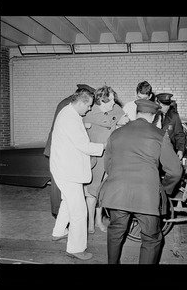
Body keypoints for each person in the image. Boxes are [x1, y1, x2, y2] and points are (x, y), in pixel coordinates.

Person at [98, 99, 183, 264]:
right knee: (151, 238)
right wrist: (165, 189)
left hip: (117, 193)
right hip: (146, 196)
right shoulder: (159, 135)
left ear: (136, 113)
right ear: (154, 116)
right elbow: (175, 171)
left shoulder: (116, 133)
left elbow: (108, 165)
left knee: (115, 232)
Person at [50, 88, 105, 260]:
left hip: (64, 167)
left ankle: (58, 231)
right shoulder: (71, 119)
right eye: (88, 106)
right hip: (68, 171)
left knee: (67, 202)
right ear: (80, 102)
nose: (89, 109)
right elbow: (85, 146)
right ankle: (75, 248)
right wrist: (104, 146)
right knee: (79, 211)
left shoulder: (68, 112)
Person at [43, 84, 96, 219]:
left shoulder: (69, 103)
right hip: (58, 149)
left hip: (62, 146)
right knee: (57, 186)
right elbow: (65, 126)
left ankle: (62, 216)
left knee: (65, 189)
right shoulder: (67, 105)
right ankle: (56, 211)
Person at [83, 85, 129, 233]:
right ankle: (90, 223)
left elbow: (125, 119)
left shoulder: (114, 109)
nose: (114, 103)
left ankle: (98, 220)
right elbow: (108, 122)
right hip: (94, 158)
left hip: (110, 157)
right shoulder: (90, 113)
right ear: (102, 100)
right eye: (111, 101)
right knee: (91, 192)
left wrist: (116, 120)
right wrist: (115, 120)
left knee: (103, 191)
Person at [153, 93, 185, 160]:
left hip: (168, 152)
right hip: (154, 152)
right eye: (164, 105)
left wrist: (180, 149)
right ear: (158, 103)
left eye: (168, 105)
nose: (167, 107)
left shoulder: (174, 116)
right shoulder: (152, 115)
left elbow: (179, 134)